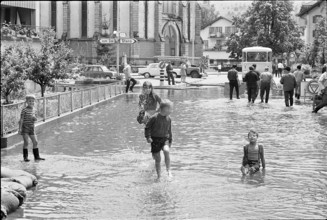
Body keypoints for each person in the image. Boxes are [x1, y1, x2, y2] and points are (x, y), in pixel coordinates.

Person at [145, 99, 173, 180]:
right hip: (155, 140)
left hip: (165, 139)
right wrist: (148, 137)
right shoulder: (154, 118)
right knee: (158, 159)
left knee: (166, 151)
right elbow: (147, 127)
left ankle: (168, 171)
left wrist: (170, 140)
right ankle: (159, 176)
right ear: (165, 109)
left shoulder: (169, 118)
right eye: (171, 109)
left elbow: (169, 130)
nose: (172, 110)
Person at [18, 95, 45, 162]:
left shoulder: (34, 109)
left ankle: (37, 157)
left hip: (31, 128)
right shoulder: (24, 110)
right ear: (27, 101)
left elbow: (35, 118)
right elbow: (21, 119)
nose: (31, 102)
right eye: (30, 101)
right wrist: (20, 129)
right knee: (26, 142)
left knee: (35, 142)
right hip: (25, 128)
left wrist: (35, 119)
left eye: (32, 101)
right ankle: (25, 157)